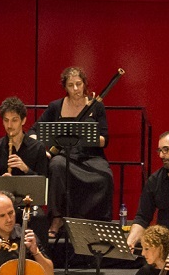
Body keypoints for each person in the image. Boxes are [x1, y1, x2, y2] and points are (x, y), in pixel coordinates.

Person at [40, 66, 114, 234]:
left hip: (91, 155)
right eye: (71, 85)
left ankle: (97, 222)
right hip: (65, 155)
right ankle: (57, 218)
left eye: (79, 84)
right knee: (56, 165)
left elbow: (105, 140)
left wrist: (87, 136)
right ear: (65, 87)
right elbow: (35, 129)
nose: (75, 89)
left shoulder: (96, 107)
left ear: (84, 84)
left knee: (106, 176)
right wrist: (39, 146)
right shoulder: (55, 107)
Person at [0, 96, 50, 240]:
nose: (9, 125)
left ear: (23, 120)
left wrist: (26, 169)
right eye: (6, 120)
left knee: (39, 218)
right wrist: (1, 183)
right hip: (3, 207)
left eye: (14, 120)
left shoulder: (37, 148)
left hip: (28, 205)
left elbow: (43, 182)